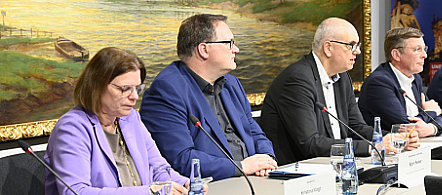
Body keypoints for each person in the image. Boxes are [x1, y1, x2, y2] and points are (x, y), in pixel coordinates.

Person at [44, 47, 206, 195]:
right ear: (97, 86)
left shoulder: (130, 118)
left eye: (137, 88)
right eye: (125, 89)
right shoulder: (72, 128)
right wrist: (149, 192)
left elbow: (157, 168)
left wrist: (184, 183)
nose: (135, 96)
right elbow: (76, 191)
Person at [260, 18, 420, 166]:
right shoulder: (297, 80)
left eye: (358, 46)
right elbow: (309, 144)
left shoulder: (342, 77)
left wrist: (391, 139)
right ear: (328, 48)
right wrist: (373, 146)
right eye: (351, 45)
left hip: (338, 165)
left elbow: (356, 127)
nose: (357, 51)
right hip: (299, 172)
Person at [139, 14, 277, 181]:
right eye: (229, 43)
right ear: (203, 49)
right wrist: (240, 168)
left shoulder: (232, 84)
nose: (236, 49)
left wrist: (266, 159)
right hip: (211, 186)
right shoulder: (166, 90)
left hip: (256, 179)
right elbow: (181, 159)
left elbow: (255, 133)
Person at [359, 27, 442, 138]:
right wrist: (431, 112)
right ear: (396, 55)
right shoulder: (379, 82)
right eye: (417, 49)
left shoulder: (415, 79)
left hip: (415, 146)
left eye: (424, 49)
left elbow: (439, 118)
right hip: (387, 150)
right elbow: (405, 126)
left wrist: (432, 128)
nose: (425, 55)